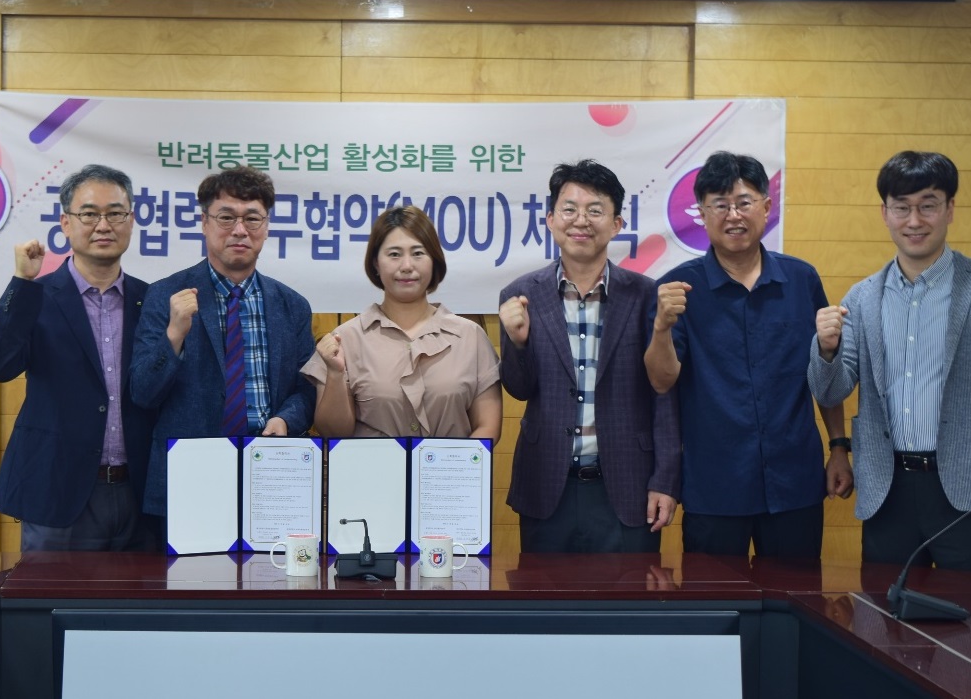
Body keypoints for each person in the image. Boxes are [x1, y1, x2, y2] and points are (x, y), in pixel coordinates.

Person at [809, 151, 971, 575]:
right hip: (887, 491)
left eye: (928, 205)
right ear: (885, 213)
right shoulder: (861, 299)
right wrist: (825, 350)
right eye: (901, 207)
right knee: (885, 613)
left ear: (950, 209)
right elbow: (831, 390)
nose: (914, 220)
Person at [644, 152, 852, 559]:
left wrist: (839, 447)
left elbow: (824, 370)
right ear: (702, 214)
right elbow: (661, 380)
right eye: (720, 205)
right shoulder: (677, 288)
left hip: (795, 482)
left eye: (744, 202)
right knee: (715, 597)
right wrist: (662, 327)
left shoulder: (801, 279)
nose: (733, 215)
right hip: (715, 488)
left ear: (767, 207)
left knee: (795, 594)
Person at [498, 159, 680, 553]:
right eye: (569, 209)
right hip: (546, 484)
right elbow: (519, 388)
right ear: (550, 220)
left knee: (631, 593)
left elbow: (663, 393)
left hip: (629, 485)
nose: (581, 220)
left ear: (616, 224)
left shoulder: (646, 295)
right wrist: (517, 344)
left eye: (595, 210)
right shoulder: (520, 295)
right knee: (541, 592)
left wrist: (665, 479)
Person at [0, 164, 156, 551]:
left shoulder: (153, 301)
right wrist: (21, 283)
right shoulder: (36, 295)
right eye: (89, 214)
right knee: (50, 592)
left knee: (142, 592)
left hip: (138, 494)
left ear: (131, 221)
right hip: (56, 488)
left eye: (115, 213)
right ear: (65, 222)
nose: (103, 225)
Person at [131, 166, 315, 519]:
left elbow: (306, 388)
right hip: (189, 477)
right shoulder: (165, 296)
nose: (240, 230)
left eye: (253, 219)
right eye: (226, 217)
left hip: (271, 474)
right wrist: (174, 335)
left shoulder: (292, 305)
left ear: (267, 226)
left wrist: (286, 420)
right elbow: (142, 393)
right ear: (204, 222)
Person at [302, 206, 501, 441]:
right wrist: (336, 374)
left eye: (418, 253)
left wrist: (450, 462)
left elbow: (488, 427)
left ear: (434, 260)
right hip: (371, 465)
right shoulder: (345, 338)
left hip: (450, 466)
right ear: (376, 263)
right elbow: (333, 433)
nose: (407, 266)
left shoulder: (470, 337)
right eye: (394, 254)